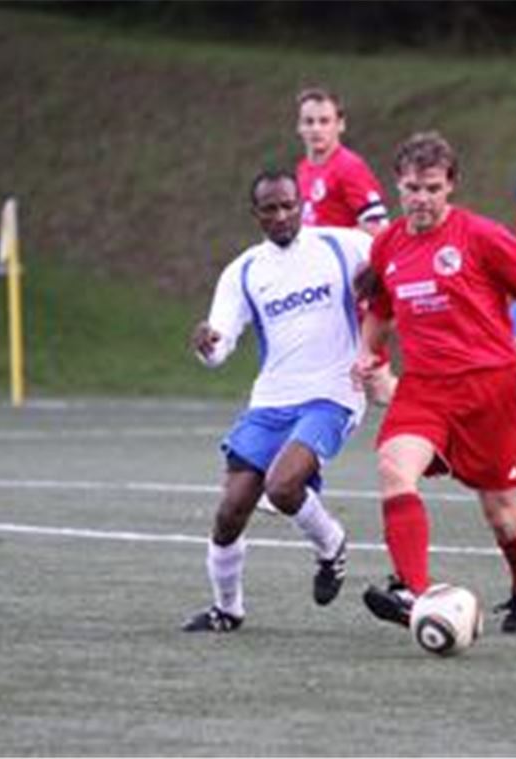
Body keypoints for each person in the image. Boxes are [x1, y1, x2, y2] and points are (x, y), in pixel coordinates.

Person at [352, 131, 516, 634]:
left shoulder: (483, 236)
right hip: (424, 388)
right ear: (397, 187)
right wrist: (367, 353)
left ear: (450, 187)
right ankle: (415, 593)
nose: (420, 198)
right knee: (393, 467)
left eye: (431, 188)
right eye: (411, 188)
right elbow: (380, 311)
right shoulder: (388, 245)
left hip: (487, 390)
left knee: (501, 513)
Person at [182, 168, 373, 633]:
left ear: (302, 203)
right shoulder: (243, 271)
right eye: (271, 208)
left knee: (283, 486)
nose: (283, 215)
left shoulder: (342, 245)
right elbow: (221, 342)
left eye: (290, 205)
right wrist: (209, 344)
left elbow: (393, 257)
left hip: (332, 393)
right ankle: (228, 610)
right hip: (272, 400)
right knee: (230, 512)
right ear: (257, 215)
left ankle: (331, 545)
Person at [295, 86, 397, 404]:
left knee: (377, 383)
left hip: (351, 288)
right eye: (309, 121)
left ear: (341, 124)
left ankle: (438, 420)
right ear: (298, 127)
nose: (316, 129)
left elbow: (379, 227)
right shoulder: (304, 169)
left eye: (324, 121)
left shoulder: (348, 167)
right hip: (322, 288)